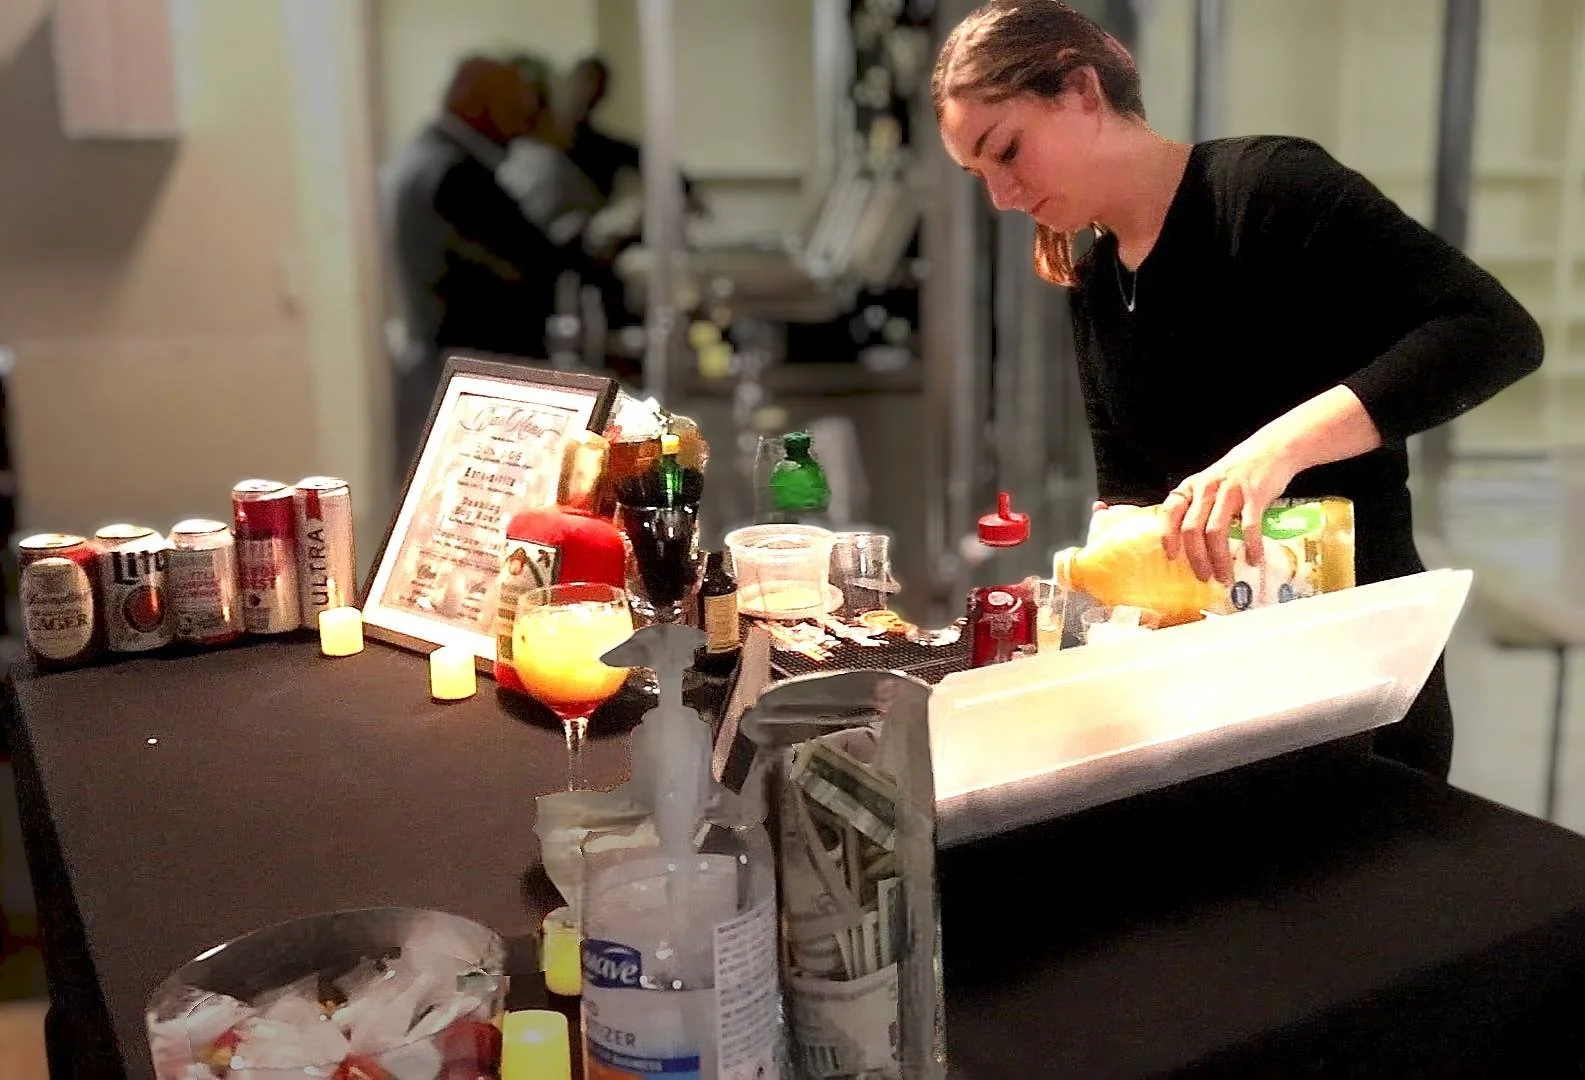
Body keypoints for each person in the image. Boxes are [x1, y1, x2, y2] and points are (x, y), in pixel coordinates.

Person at [933, 0, 1544, 779]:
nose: (1001, 195)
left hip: (1357, 687)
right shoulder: (1092, 282)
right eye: (979, 173)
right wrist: (1087, 586)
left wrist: (1269, 454)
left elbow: (1494, 331)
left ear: (1082, 92)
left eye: (1007, 151)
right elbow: (1126, 488)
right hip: (1212, 699)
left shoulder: (1269, 190)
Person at [381, 56, 606, 474]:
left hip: (436, 365)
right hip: (474, 379)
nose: (523, 120)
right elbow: (530, 261)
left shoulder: (421, 153)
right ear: (478, 103)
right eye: (514, 106)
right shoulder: (456, 173)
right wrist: (586, 248)